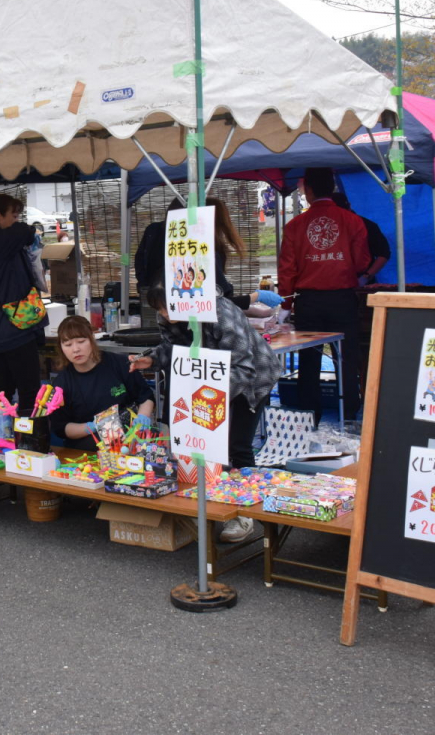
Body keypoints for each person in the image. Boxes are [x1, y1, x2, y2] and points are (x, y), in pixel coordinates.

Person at [130, 283, 282, 543]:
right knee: (198, 447)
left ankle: (244, 512)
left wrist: (206, 397)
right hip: (203, 385)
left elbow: (244, 368)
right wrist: (152, 359)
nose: (165, 314)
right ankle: (208, 504)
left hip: (251, 379)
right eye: (160, 309)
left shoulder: (222, 312)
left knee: (236, 445)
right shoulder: (168, 314)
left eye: (168, 307)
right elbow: (174, 349)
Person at [278, 168, 371, 421]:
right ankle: (349, 412)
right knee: (346, 357)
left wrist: (285, 305)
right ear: (333, 188)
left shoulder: (295, 225)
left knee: (309, 358)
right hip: (342, 299)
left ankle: (309, 414)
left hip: (308, 301)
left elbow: (287, 269)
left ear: (308, 191)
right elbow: (362, 262)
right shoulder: (352, 221)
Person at [135, 197, 282, 309]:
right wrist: (256, 296)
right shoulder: (201, 252)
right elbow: (219, 303)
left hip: (156, 309)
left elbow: (140, 268)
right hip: (189, 324)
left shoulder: (155, 233)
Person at [0, 193, 46, 416]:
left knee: (4, 389)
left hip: (0, 326)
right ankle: (28, 433)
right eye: (14, 216)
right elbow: (27, 231)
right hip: (15, 327)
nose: (17, 221)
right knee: (29, 390)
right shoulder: (0, 240)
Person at [49, 316, 154, 450]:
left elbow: (146, 397)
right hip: (87, 448)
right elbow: (61, 428)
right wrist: (90, 427)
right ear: (61, 347)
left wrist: (142, 418)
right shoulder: (62, 384)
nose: (75, 349)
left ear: (92, 338)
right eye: (68, 345)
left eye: (81, 341)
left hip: (129, 439)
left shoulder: (119, 363)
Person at [331, 192, 390, 285]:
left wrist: (366, 276)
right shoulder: (329, 227)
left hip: (362, 281)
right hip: (334, 281)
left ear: (349, 206)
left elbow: (384, 254)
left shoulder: (367, 225)